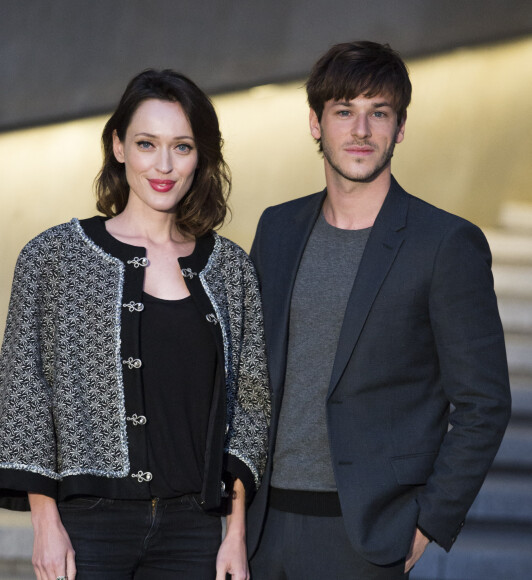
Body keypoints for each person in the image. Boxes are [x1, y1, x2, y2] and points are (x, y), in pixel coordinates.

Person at [0, 68, 270, 580]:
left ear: (201, 156)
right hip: (89, 527)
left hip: (194, 528)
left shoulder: (230, 268)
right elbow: (26, 393)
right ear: (117, 146)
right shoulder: (55, 257)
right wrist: (46, 523)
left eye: (182, 147)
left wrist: (235, 534)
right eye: (146, 143)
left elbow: (251, 405)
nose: (163, 165)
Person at [247, 41, 511, 579]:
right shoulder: (277, 229)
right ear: (316, 125)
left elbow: (484, 402)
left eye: (378, 113)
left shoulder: (444, 243)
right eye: (344, 111)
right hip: (262, 528)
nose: (361, 130)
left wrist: (428, 522)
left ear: (401, 127)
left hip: (365, 536)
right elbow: (250, 379)